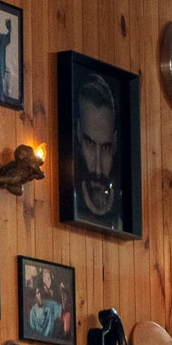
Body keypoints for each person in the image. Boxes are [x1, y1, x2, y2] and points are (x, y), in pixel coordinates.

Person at [70, 65, 124, 227]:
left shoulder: (122, 222)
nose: (98, 169)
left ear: (114, 143)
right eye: (90, 143)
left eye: (106, 147)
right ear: (78, 133)